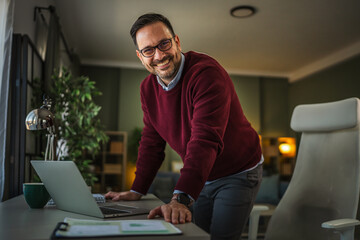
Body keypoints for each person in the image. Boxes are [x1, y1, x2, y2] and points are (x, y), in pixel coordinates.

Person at [105, 13, 263, 240]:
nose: (159, 55)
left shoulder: (207, 74)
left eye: (164, 44)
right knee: (195, 235)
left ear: (177, 41)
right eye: (148, 50)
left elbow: (204, 139)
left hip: (237, 171)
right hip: (203, 174)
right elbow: (151, 142)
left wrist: (180, 198)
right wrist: (136, 190)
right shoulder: (147, 89)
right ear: (140, 57)